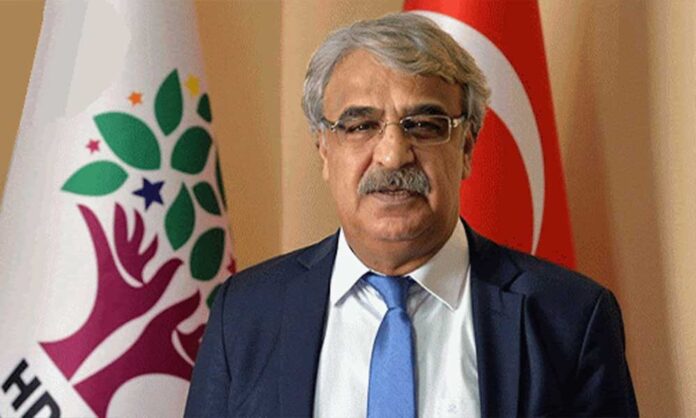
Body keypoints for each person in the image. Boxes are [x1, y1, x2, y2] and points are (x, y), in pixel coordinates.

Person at [185, 13, 637, 417]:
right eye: (360, 126)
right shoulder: (244, 314)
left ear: (466, 147)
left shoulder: (570, 317)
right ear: (324, 150)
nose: (393, 155)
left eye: (423, 125)